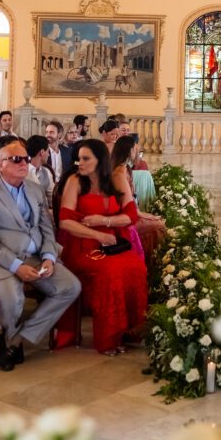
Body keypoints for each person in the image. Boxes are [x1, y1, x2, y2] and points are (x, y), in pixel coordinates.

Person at [0, 137, 81, 371]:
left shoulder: (35, 189)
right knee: (12, 299)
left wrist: (49, 257)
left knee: (70, 287)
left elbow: (47, 229)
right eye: (16, 159)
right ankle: (12, 342)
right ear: (0, 165)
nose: (24, 163)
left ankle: (15, 340)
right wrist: (16, 266)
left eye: (26, 159)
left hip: (36, 257)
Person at [57, 139, 147, 354]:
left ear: (100, 160)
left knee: (136, 266)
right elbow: (65, 221)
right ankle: (109, 338)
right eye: (79, 158)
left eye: (86, 159)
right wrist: (96, 233)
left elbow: (131, 216)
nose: (80, 163)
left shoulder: (116, 178)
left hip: (112, 244)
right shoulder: (75, 181)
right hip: (83, 246)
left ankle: (130, 330)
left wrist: (105, 222)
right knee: (110, 272)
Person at [111, 134, 165, 261]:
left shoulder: (126, 169)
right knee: (159, 226)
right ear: (130, 151)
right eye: (137, 150)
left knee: (157, 221)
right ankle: (151, 263)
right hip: (122, 220)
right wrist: (142, 215)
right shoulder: (119, 173)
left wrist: (142, 213)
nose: (138, 154)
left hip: (130, 214)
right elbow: (128, 206)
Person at [25, 134, 54, 208]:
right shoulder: (23, 171)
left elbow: (53, 196)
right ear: (42, 152)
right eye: (48, 151)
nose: (48, 155)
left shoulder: (46, 172)